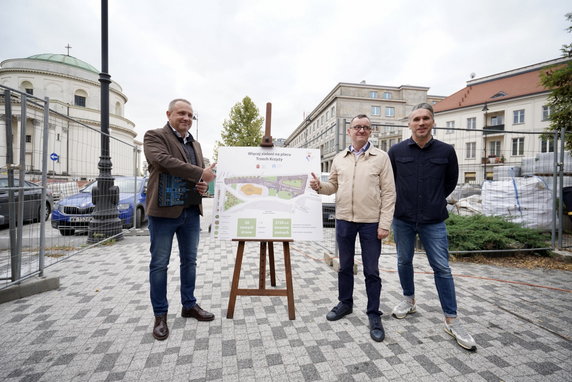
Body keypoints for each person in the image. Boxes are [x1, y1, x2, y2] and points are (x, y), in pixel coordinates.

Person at [387, 103, 477, 351]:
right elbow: (390, 182)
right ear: (409, 124)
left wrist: (433, 200)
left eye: (426, 118)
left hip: (433, 220)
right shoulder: (395, 151)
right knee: (403, 261)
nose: (421, 123)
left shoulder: (446, 151)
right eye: (416, 119)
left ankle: (451, 319)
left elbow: (450, 182)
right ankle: (409, 300)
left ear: (433, 121)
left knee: (441, 268)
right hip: (403, 217)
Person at [310, 114, 396, 342]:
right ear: (349, 131)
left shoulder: (381, 158)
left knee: (371, 271)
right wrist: (320, 186)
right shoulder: (340, 158)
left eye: (366, 127)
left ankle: (373, 314)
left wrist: (384, 224)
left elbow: (389, 193)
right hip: (345, 220)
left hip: (371, 223)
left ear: (370, 132)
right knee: (345, 266)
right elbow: (333, 187)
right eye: (357, 127)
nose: (361, 130)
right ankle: (345, 303)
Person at [143, 98, 217, 341]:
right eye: (181, 113)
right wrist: (200, 172)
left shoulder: (195, 144)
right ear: (169, 114)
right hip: (164, 212)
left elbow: (199, 177)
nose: (186, 118)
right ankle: (160, 316)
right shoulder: (154, 136)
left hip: (190, 211)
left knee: (190, 262)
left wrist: (202, 185)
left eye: (190, 115)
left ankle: (189, 305)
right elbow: (162, 161)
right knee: (159, 264)